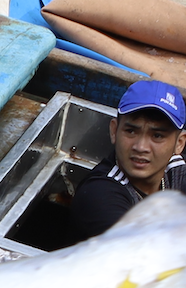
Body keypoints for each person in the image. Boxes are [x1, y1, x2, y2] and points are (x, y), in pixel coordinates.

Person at [70, 80, 186, 242]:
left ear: (179, 144)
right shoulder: (99, 195)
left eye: (157, 136)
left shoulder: (175, 168)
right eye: (131, 131)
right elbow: (142, 252)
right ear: (114, 131)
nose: (141, 147)